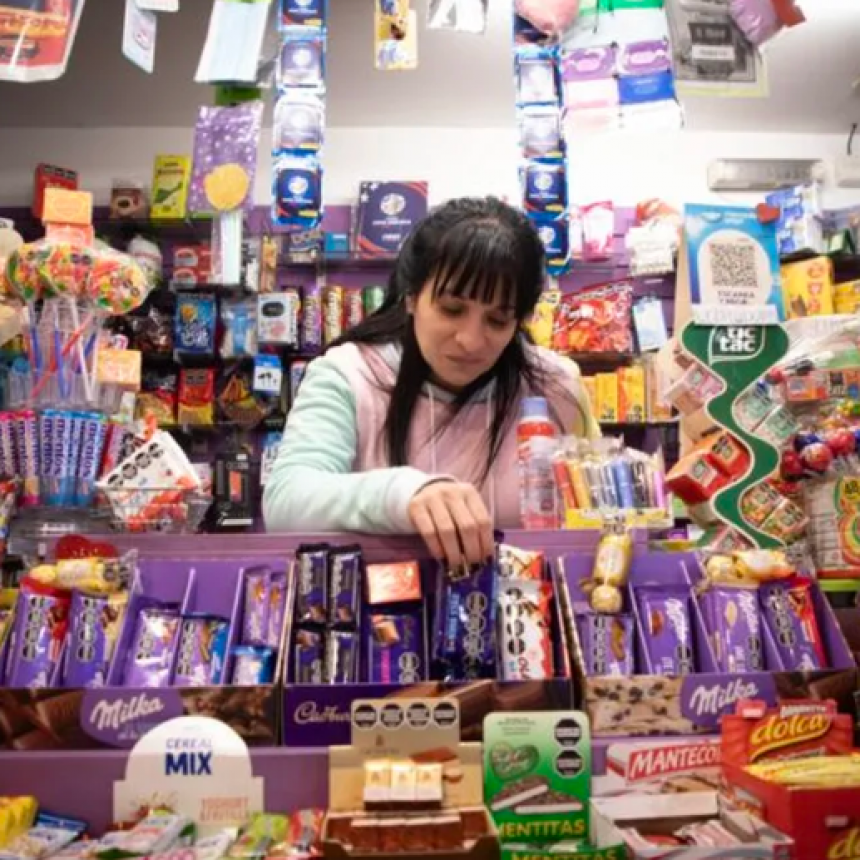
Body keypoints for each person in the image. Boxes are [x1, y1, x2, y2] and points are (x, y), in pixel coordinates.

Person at [263, 196, 599, 565]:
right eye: (452, 310)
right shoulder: (348, 374)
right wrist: (404, 494)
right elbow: (286, 500)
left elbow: (597, 507)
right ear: (411, 297)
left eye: (498, 320)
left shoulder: (555, 386)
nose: (470, 340)